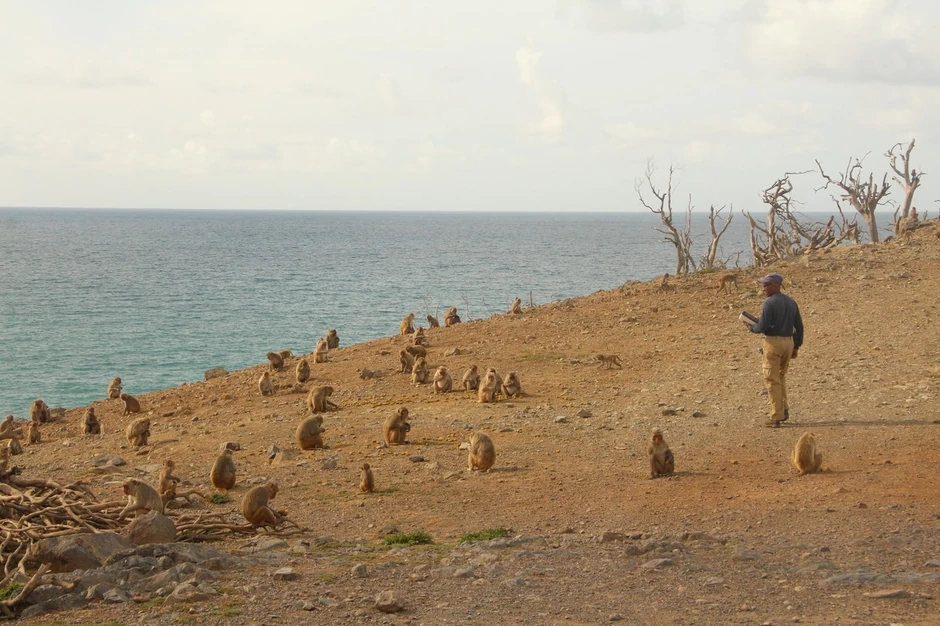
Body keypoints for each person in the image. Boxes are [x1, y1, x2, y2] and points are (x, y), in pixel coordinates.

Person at [742, 273, 804, 428]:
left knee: (772, 379)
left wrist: (752, 327)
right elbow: (799, 326)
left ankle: (776, 416)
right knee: (781, 377)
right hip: (789, 342)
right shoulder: (791, 302)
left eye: (766, 285)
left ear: (775, 286)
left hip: (773, 343)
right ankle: (784, 410)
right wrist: (796, 346)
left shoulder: (769, 304)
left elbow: (762, 327)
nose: (764, 289)